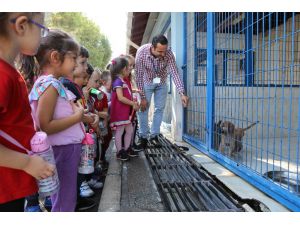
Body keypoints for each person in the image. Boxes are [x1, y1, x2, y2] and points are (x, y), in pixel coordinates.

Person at [0, 12, 55, 212]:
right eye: (41, 30)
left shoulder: (9, 73)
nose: (42, 38)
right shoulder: (2, 75)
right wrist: (27, 163)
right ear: (21, 25)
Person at [26, 29, 85, 212]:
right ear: (55, 57)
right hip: (63, 149)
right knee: (65, 202)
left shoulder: (49, 83)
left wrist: (81, 116)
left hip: (63, 148)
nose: (75, 63)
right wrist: (77, 117)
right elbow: (45, 125)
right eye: (73, 58)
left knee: (61, 198)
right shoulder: (50, 85)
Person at [135, 34, 189, 149]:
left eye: (164, 51)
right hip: (146, 82)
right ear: (152, 48)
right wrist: (142, 97)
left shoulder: (168, 53)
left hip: (162, 82)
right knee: (143, 109)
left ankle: (154, 136)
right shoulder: (141, 53)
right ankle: (143, 137)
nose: (163, 54)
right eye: (160, 51)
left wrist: (182, 93)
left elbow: (174, 73)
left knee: (159, 109)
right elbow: (138, 76)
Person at [110, 57, 139, 161]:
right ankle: (119, 152)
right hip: (120, 112)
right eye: (129, 68)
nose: (130, 70)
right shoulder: (118, 81)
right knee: (120, 131)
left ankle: (126, 149)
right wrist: (132, 103)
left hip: (125, 112)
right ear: (123, 69)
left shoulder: (122, 81)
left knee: (129, 130)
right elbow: (120, 97)